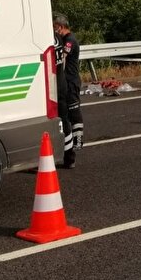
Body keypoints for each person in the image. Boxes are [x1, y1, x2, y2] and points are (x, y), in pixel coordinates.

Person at [53, 14, 85, 168]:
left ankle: (78, 141)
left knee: (73, 112)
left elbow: (63, 57)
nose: (54, 30)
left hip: (71, 81)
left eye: (55, 27)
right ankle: (72, 145)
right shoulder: (65, 39)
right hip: (66, 81)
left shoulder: (70, 40)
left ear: (60, 26)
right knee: (67, 115)